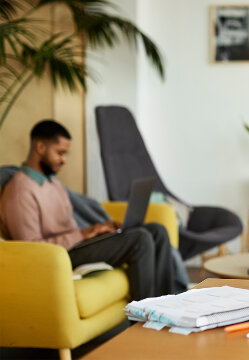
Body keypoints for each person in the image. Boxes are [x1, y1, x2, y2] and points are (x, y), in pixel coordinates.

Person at [0, 120, 176, 300]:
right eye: (60, 153)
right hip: (60, 257)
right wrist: (83, 234)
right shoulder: (20, 191)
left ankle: (167, 306)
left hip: (76, 246)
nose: (64, 160)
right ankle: (146, 317)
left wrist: (99, 230)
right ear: (40, 147)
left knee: (157, 231)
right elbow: (33, 249)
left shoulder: (53, 182)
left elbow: (67, 226)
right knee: (140, 239)